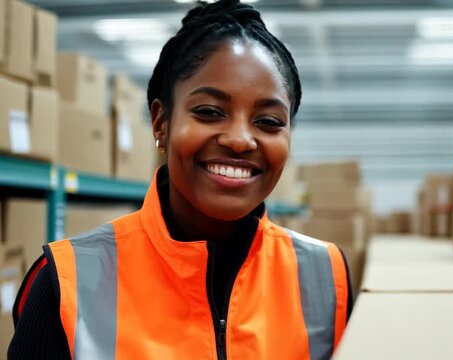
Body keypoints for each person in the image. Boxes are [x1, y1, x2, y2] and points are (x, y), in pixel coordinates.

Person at [8, 0, 353, 358]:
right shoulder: (66, 280)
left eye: (268, 121)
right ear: (161, 122)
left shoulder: (327, 278)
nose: (239, 139)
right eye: (209, 112)